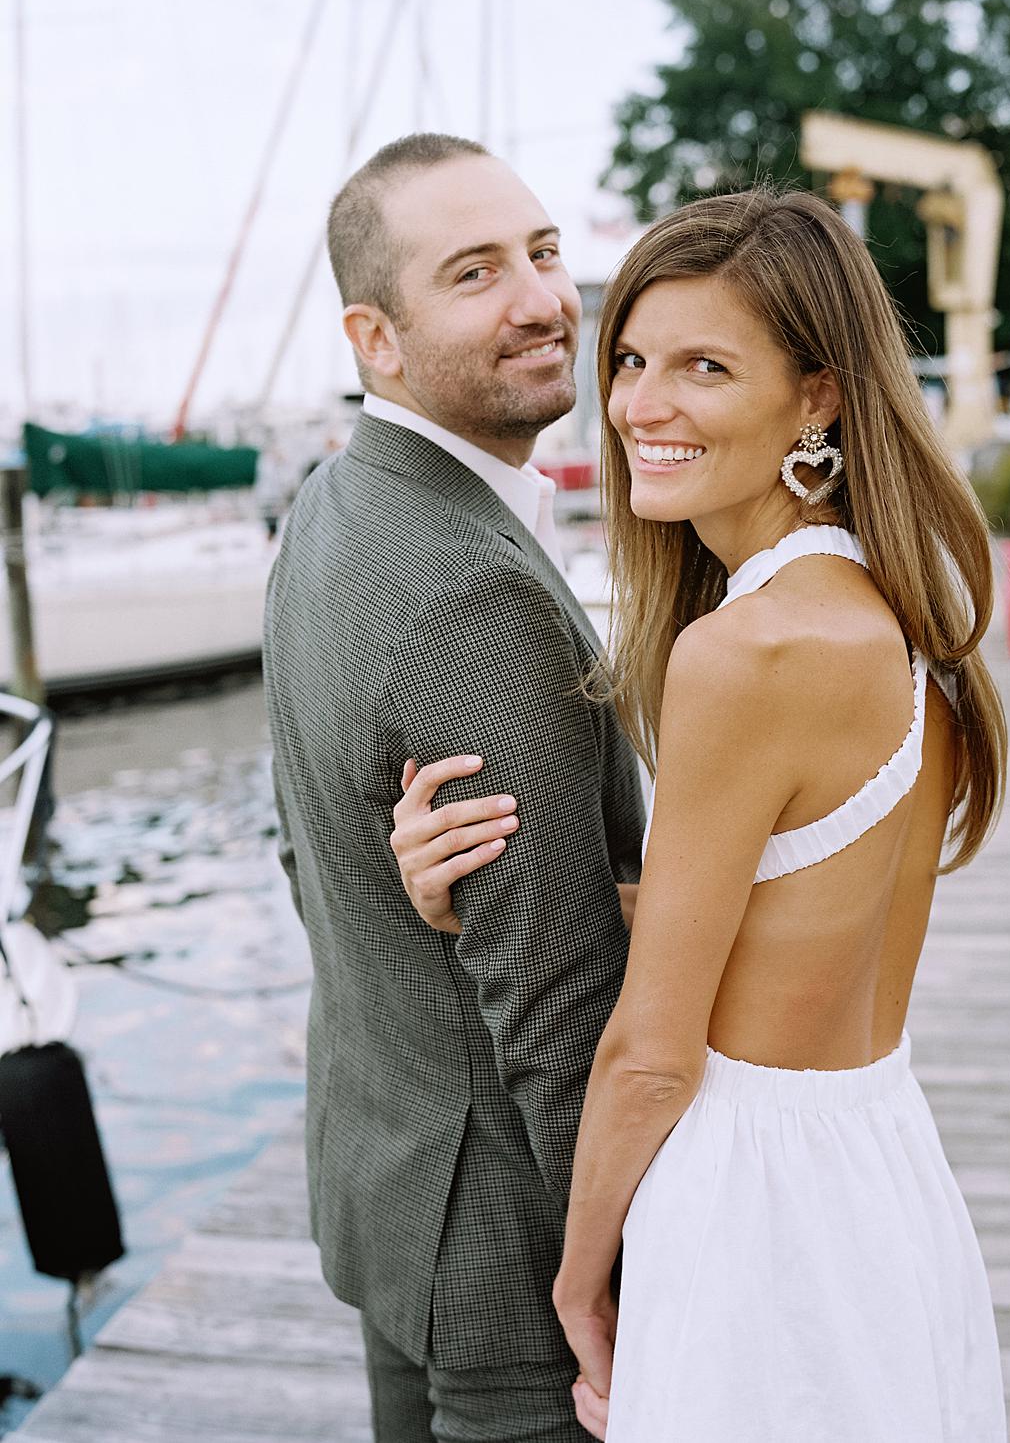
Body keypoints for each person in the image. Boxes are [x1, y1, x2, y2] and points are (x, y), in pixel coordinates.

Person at [391, 187, 1009, 1441]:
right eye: (629, 359)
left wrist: (576, 1277)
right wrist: (486, 895)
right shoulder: (900, 618)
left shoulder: (747, 653)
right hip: (882, 1171)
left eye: (704, 367)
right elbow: (783, 923)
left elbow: (655, 1053)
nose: (639, 407)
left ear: (818, 395)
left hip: (755, 1212)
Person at [263, 132, 644, 1442]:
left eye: (544, 254)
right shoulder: (470, 590)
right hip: (510, 1271)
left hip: (387, 1190)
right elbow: (557, 1013)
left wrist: (418, 899)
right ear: (377, 337)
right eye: (476, 273)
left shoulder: (330, 507)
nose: (543, 298)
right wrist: (620, 1283)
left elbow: (306, 848)